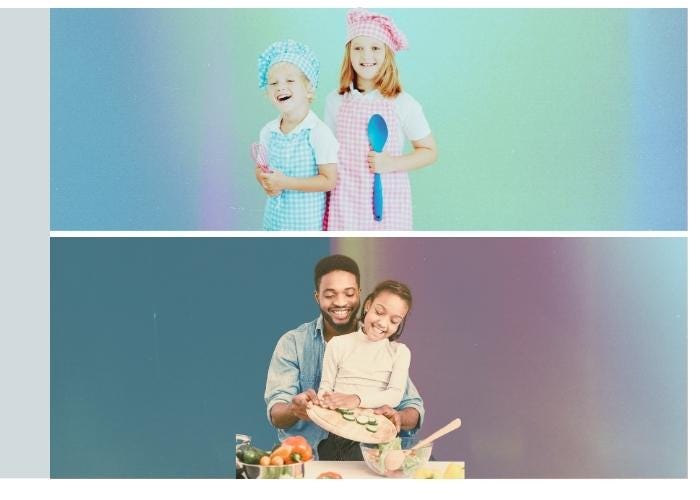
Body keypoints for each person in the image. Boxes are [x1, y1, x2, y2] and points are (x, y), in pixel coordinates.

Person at [264, 255, 425, 460]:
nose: (340, 302)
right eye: (330, 295)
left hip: (371, 450)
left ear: (359, 295)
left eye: (349, 293)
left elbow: (412, 407)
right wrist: (294, 409)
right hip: (311, 453)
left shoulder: (390, 349)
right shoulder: (294, 343)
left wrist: (397, 417)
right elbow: (277, 412)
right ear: (317, 297)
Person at [324, 9, 438, 230]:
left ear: (387, 54)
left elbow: (430, 151)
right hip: (344, 203)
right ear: (349, 53)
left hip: (389, 204)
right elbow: (326, 154)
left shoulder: (403, 103)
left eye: (375, 48)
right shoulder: (335, 101)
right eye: (358, 48)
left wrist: (392, 163)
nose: (366, 56)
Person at [255, 39, 339, 230]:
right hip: (273, 223)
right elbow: (260, 168)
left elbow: (329, 180)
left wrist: (285, 182)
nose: (280, 87)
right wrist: (264, 180)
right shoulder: (268, 132)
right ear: (267, 93)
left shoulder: (318, 133)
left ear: (308, 88)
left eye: (290, 80)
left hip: (306, 227)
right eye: (273, 83)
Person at [317, 280, 413, 411]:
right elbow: (325, 389)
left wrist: (357, 399)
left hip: (374, 426)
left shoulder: (400, 352)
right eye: (379, 312)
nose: (383, 324)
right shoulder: (338, 344)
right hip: (336, 422)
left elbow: (394, 396)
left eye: (394, 321)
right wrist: (324, 400)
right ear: (368, 305)